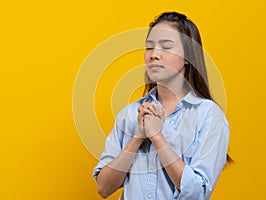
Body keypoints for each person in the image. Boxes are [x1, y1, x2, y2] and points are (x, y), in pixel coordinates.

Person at [93, 11, 232, 200]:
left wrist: (157, 136)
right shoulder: (130, 114)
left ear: (188, 57)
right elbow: (104, 188)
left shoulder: (208, 115)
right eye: (149, 47)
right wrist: (139, 136)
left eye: (166, 47)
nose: (154, 55)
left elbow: (197, 193)